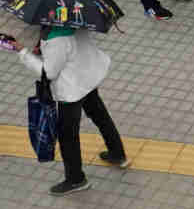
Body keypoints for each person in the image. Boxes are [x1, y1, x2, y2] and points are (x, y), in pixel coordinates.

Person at [20, 11, 127, 197]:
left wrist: (22, 53)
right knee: (100, 115)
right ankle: (117, 154)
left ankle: (76, 179)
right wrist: (42, 48)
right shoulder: (76, 18)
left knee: (67, 135)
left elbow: (49, 73)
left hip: (72, 89)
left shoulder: (57, 39)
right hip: (88, 77)